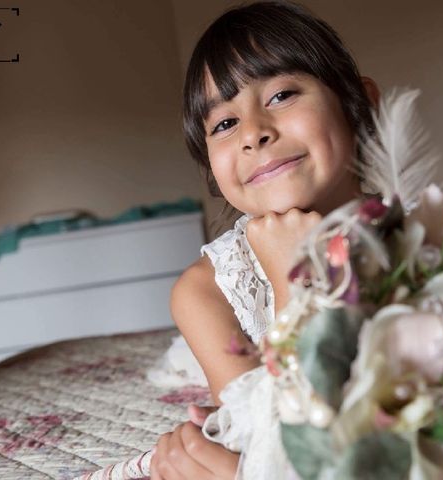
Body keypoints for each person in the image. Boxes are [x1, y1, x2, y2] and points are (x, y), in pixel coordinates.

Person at [149, 1, 380, 478]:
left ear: (361, 105)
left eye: (281, 95)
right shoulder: (204, 291)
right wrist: (291, 282)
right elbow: (283, 440)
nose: (253, 134)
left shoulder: (431, 240)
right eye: (225, 124)